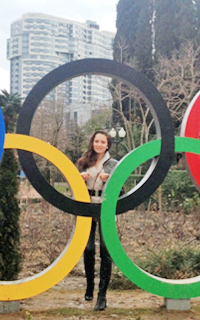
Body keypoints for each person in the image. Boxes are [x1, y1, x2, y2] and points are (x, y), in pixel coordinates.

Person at [76, 130, 118, 311]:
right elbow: (72, 187)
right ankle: (89, 286)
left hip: (105, 208)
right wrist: (79, 179)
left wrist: (109, 180)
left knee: (105, 250)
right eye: (96, 141)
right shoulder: (83, 162)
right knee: (88, 248)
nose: (99, 144)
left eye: (102, 142)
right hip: (87, 207)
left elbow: (121, 190)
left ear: (107, 145)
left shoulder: (114, 164)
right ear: (92, 142)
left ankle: (102, 295)